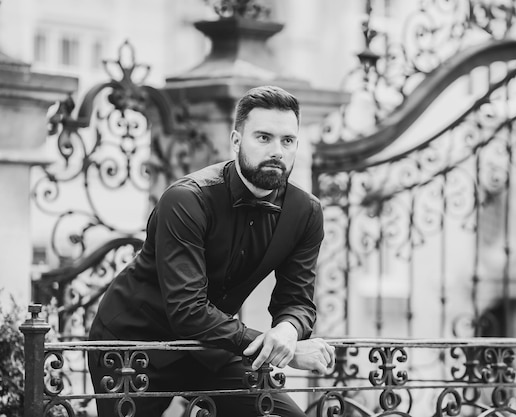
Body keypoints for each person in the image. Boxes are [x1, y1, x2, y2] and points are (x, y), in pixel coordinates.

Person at [88, 85, 335, 417]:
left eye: (287, 141)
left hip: (212, 347)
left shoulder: (306, 213)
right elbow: (188, 310)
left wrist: (288, 332)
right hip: (134, 346)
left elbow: (298, 299)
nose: (277, 150)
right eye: (263, 138)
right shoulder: (186, 200)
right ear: (236, 141)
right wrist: (282, 353)